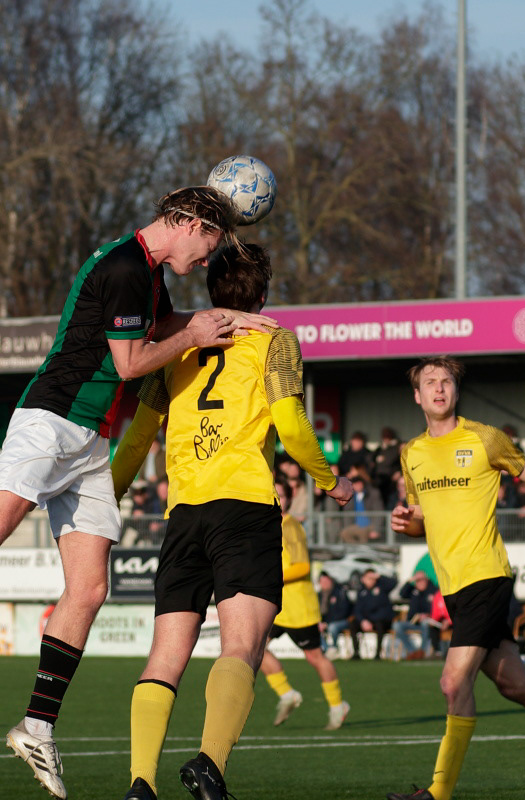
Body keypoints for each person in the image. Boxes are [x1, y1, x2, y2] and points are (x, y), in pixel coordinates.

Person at [0, 186, 266, 799]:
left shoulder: (147, 273)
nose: (207, 260)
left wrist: (228, 319)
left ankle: (37, 726)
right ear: (189, 223)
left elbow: (165, 325)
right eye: (209, 244)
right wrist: (196, 335)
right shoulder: (125, 267)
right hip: (51, 419)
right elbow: (132, 362)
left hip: (89, 439)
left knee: (90, 588)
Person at [109, 243, 353, 800]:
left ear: (210, 288)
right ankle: (209, 765)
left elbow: (138, 437)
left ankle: (140, 782)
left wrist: (110, 498)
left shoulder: (178, 343)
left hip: (183, 514)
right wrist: (329, 480)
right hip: (244, 508)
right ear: (262, 295)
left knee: (164, 657)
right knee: (241, 647)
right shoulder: (273, 338)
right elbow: (292, 427)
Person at [388, 355, 525, 800]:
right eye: (430, 382)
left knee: (452, 682)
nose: (439, 388)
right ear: (417, 396)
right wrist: (407, 523)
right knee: (515, 684)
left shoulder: (484, 438)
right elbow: (422, 519)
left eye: (446, 381)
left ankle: (438, 792)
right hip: (453, 586)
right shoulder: (411, 453)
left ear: (456, 390)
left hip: (486, 576)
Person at [260, 480, 350, 731]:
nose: (275, 498)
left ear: (289, 499)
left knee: (315, 657)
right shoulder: (265, 525)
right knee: (255, 649)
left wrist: (269, 576)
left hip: (299, 606)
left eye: (280, 494)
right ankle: (287, 694)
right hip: (275, 606)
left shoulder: (290, 526)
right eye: (272, 493)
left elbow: (302, 567)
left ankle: (337, 706)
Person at [351, 569, 397, 659]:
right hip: (367, 621)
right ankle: (356, 652)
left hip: (380, 620)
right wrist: (363, 621)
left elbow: (394, 583)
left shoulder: (382, 587)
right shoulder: (361, 592)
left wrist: (380, 576)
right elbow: (357, 610)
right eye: (369, 578)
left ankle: (378, 653)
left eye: (373, 578)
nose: (371, 580)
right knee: (352, 624)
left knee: (380, 624)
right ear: (363, 579)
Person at [395, 570, 438, 659]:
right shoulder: (413, 590)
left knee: (425, 623)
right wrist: (410, 580)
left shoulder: (432, 590)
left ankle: (422, 652)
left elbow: (437, 606)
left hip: (427, 622)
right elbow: (401, 594)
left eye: (422, 580)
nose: (420, 582)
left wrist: (427, 615)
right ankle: (413, 651)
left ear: (426, 580)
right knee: (397, 626)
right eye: (417, 580)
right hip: (412, 622)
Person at [319, 571, 354, 656]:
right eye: (322, 582)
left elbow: (344, 611)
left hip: (343, 620)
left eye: (326, 581)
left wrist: (327, 623)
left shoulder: (340, 592)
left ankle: (334, 648)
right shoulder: (319, 595)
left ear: (330, 581)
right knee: (314, 628)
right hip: (326, 622)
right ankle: (327, 649)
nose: (324, 584)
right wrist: (320, 623)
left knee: (332, 627)